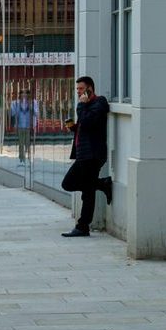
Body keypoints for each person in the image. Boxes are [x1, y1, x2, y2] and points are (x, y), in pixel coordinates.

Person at [60, 75, 112, 237]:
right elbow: (85, 125)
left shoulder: (99, 102)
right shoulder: (84, 106)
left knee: (87, 193)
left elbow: (89, 122)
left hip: (93, 154)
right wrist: (75, 128)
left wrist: (82, 106)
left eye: (81, 89)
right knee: (68, 183)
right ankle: (102, 184)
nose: (78, 92)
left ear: (90, 89)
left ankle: (83, 226)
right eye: (77, 89)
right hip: (83, 153)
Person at [10, 87, 38, 164]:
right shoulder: (17, 103)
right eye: (22, 93)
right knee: (21, 143)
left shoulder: (33, 102)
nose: (24, 95)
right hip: (20, 125)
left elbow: (36, 113)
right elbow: (13, 113)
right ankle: (21, 158)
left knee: (28, 143)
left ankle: (29, 157)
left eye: (26, 93)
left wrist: (31, 105)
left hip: (29, 126)